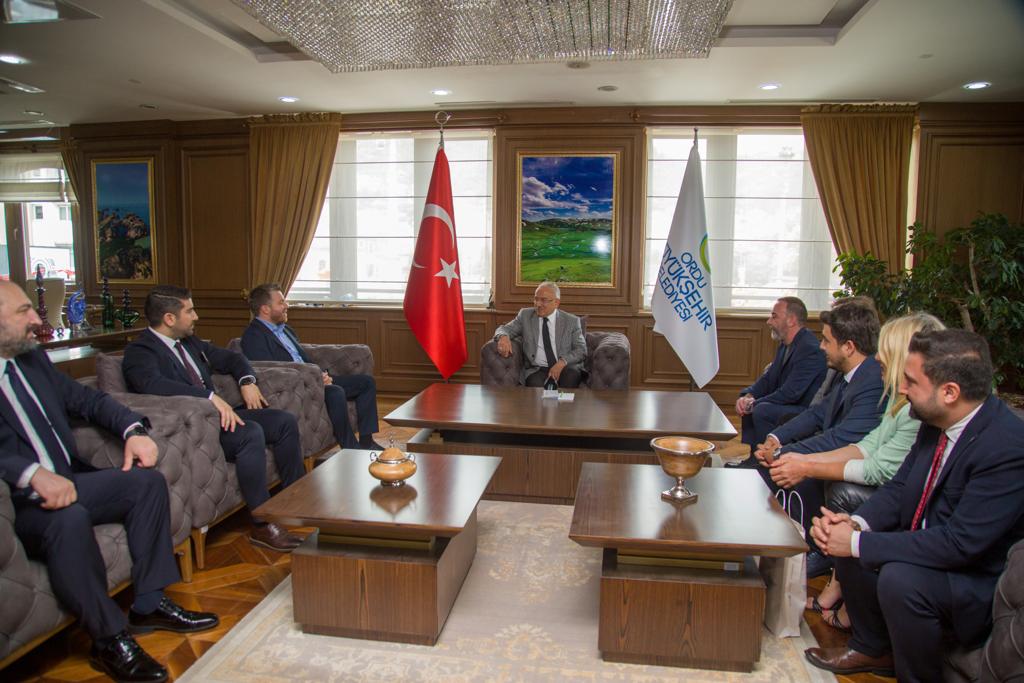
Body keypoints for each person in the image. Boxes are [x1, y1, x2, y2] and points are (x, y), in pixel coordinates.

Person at [0, 281, 218, 683]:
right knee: (69, 519)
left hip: (70, 480)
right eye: (23, 311)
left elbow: (88, 400)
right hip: (17, 504)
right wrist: (30, 473)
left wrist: (132, 430)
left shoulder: (29, 360)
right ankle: (109, 640)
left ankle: (149, 604)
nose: (35, 319)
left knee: (146, 484)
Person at [804, 329, 1024, 681]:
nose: (901, 389)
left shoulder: (1006, 447)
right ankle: (872, 648)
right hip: (931, 550)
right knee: (848, 540)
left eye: (911, 381)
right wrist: (856, 524)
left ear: (949, 392)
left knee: (898, 576)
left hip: (973, 579)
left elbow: (960, 544)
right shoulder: (935, 421)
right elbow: (900, 487)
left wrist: (858, 542)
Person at [766, 312, 945, 624]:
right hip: (894, 497)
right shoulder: (899, 400)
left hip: (914, 518)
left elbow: (879, 469)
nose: (877, 360)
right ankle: (835, 583)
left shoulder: (914, 410)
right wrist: (798, 460)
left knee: (838, 495)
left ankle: (837, 585)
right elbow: (866, 446)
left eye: (884, 354)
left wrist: (806, 466)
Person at [122, 285, 305, 552]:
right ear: (169, 318)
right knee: (251, 432)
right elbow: (152, 384)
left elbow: (232, 358)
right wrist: (208, 397)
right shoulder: (140, 352)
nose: (196, 316)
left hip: (221, 417)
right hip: (193, 429)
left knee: (283, 421)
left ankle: (296, 501)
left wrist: (247, 381)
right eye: (190, 311)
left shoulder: (189, 342)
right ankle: (262, 525)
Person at [752, 298, 884, 554]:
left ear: (848, 347)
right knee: (767, 470)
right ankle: (774, 543)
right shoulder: (849, 374)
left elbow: (840, 438)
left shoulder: (872, 381)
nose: (821, 346)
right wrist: (776, 439)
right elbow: (817, 414)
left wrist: (781, 454)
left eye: (826, 340)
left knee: (779, 472)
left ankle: (804, 551)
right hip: (833, 451)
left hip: (849, 460)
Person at [241, 283, 382, 451]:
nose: (286, 305)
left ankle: (367, 442)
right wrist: (314, 378)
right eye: (281, 302)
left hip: (313, 379)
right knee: (335, 392)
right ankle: (351, 449)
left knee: (366, 383)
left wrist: (322, 375)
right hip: (297, 388)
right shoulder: (253, 337)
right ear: (265, 309)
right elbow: (271, 371)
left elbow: (302, 358)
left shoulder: (286, 330)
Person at [736, 296, 827, 449]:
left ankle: (766, 457)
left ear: (791, 320)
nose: (769, 322)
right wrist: (748, 396)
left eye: (774, 316)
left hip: (804, 410)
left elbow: (791, 393)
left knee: (761, 409)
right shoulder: (785, 344)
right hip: (787, 403)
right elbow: (768, 379)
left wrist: (754, 403)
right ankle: (754, 455)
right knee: (750, 403)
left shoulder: (809, 349)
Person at [493, 281, 587, 388]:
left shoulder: (571, 321)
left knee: (571, 376)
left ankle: (564, 399)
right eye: (536, 299)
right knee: (535, 386)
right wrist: (503, 337)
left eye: (543, 300)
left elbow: (581, 350)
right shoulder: (525, 315)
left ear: (556, 303)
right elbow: (504, 329)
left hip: (565, 367)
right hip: (537, 369)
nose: (537, 304)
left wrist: (562, 362)